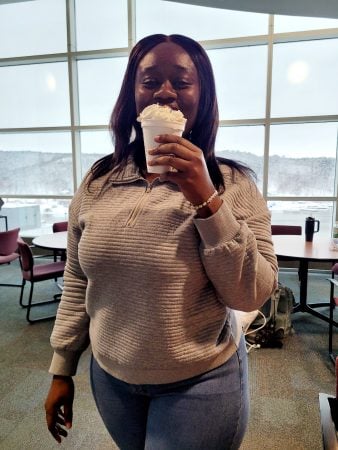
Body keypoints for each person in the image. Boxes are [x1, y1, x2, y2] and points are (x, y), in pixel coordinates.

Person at [44, 34, 278, 450]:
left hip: (201, 382)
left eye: (181, 81)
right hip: (112, 379)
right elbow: (78, 277)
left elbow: (252, 293)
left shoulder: (234, 183)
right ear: (133, 95)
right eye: (150, 80)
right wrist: (62, 367)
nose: (165, 91)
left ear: (201, 95)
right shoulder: (99, 180)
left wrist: (206, 199)